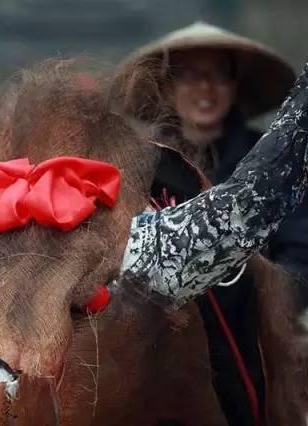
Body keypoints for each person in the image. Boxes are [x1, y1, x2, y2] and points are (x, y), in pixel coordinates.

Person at [123, 21, 306, 426]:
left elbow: (301, 253)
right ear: (168, 86)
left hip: (263, 340)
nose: (205, 89)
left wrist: (263, 301)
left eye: (218, 75)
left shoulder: (280, 164)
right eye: (190, 75)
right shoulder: (141, 168)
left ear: (234, 85)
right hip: (165, 347)